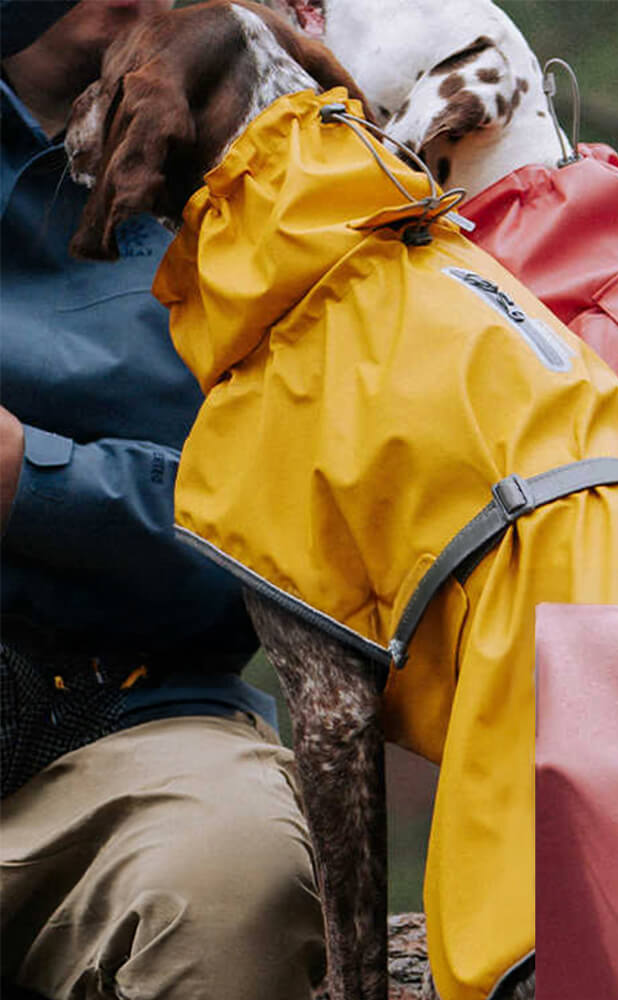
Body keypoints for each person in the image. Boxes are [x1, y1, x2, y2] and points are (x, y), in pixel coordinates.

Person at [0, 2, 326, 997]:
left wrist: (31, 478)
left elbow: (294, 524)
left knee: (232, 877)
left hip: (134, 729)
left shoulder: (266, 153)